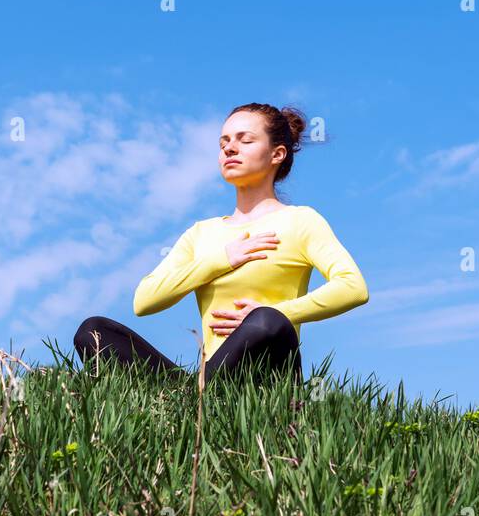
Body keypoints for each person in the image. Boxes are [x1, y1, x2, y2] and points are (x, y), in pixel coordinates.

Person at [73, 102, 368, 382]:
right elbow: (144, 300)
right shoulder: (202, 233)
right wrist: (222, 259)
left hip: (268, 378)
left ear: (277, 154)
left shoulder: (301, 221)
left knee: (267, 321)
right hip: (209, 379)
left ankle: (194, 401)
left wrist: (281, 311)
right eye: (223, 141)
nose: (229, 147)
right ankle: (192, 399)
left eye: (245, 140)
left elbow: (353, 287)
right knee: (93, 331)